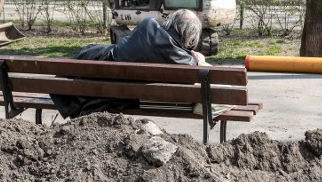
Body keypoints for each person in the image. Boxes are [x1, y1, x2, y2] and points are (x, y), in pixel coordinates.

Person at [52, 9, 207, 118]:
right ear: (192, 36)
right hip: (127, 98)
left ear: (171, 22)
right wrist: (198, 60)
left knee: (88, 54)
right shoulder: (188, 65)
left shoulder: (148, 25)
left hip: (99, 78)